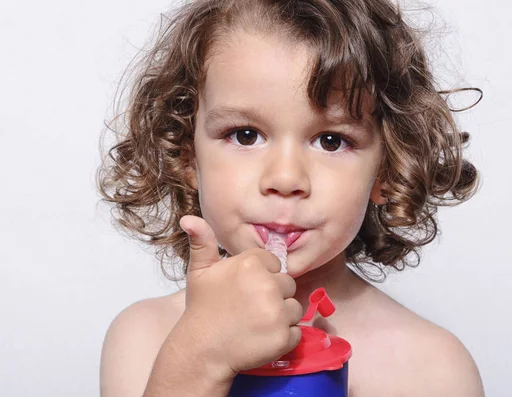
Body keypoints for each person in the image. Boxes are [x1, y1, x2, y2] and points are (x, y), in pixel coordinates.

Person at [96, 0, 485, 395]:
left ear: (387, 169)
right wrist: (198, 360)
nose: (285, 178)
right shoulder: (145, 337)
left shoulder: (433, 368)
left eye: (332, 141)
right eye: (245, 135)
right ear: (187, 156)